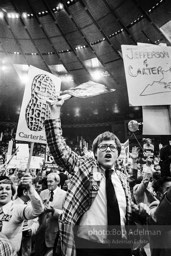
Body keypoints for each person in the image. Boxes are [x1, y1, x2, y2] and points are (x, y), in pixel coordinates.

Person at [44, 97, 136, 256]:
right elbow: (60, 152)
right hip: (89, 247)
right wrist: (54, 114)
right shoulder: (84, 167)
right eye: (103, 146)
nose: (108, 150)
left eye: (112, 147)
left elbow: (125, 209)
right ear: (95, 152)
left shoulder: (122, 178)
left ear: (118, 154)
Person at [0, 174, 44, 254]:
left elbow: (38, 210)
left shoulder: (17, 208)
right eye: (0, 189)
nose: (3, 191)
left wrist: (30, 188)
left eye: (7, 189)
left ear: (12, 192)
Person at [35, 172, 66, 255]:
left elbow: (66, 215)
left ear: (57, 182)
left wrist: (53, 211)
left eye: (51, 181)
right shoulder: (43, 193)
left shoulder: (64, 195)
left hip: (55, 233)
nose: (48, 184)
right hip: (42, 233)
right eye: (47, 181)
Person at [14, 183, 40, 256]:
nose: (34, 194)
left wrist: (31, 230)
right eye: (32, 192)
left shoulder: (31, 205)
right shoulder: (12, 205)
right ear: (25, 192)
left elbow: (36, 221)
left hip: (27, 243)